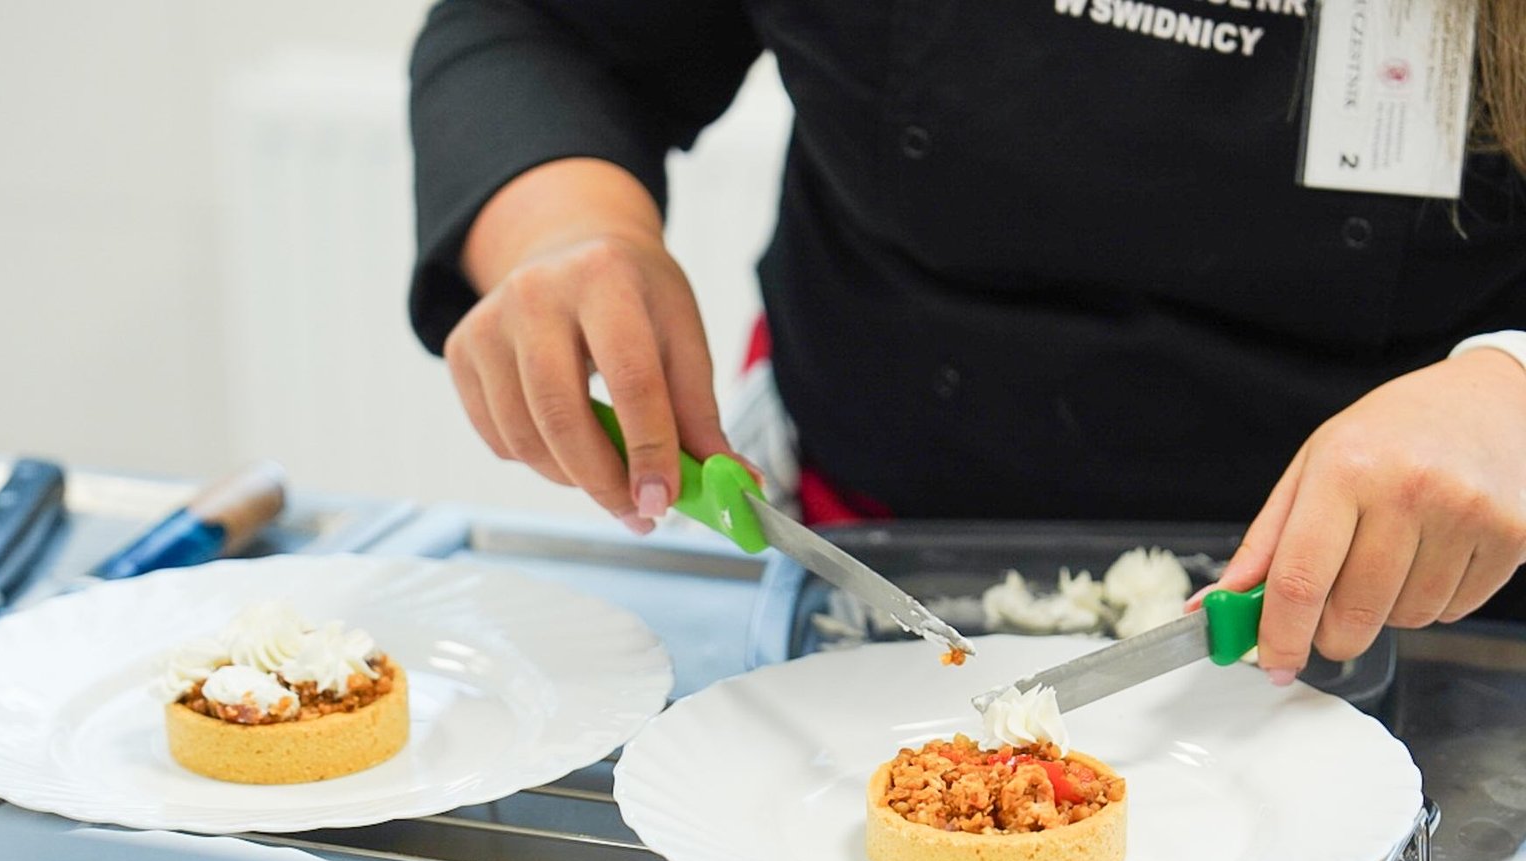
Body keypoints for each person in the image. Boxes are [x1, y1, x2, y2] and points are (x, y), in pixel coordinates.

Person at [405, 0, 1526, 683]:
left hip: (1441, 625)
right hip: (872, 563)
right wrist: (564, 230)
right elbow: (542, 28)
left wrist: (1511, 390)